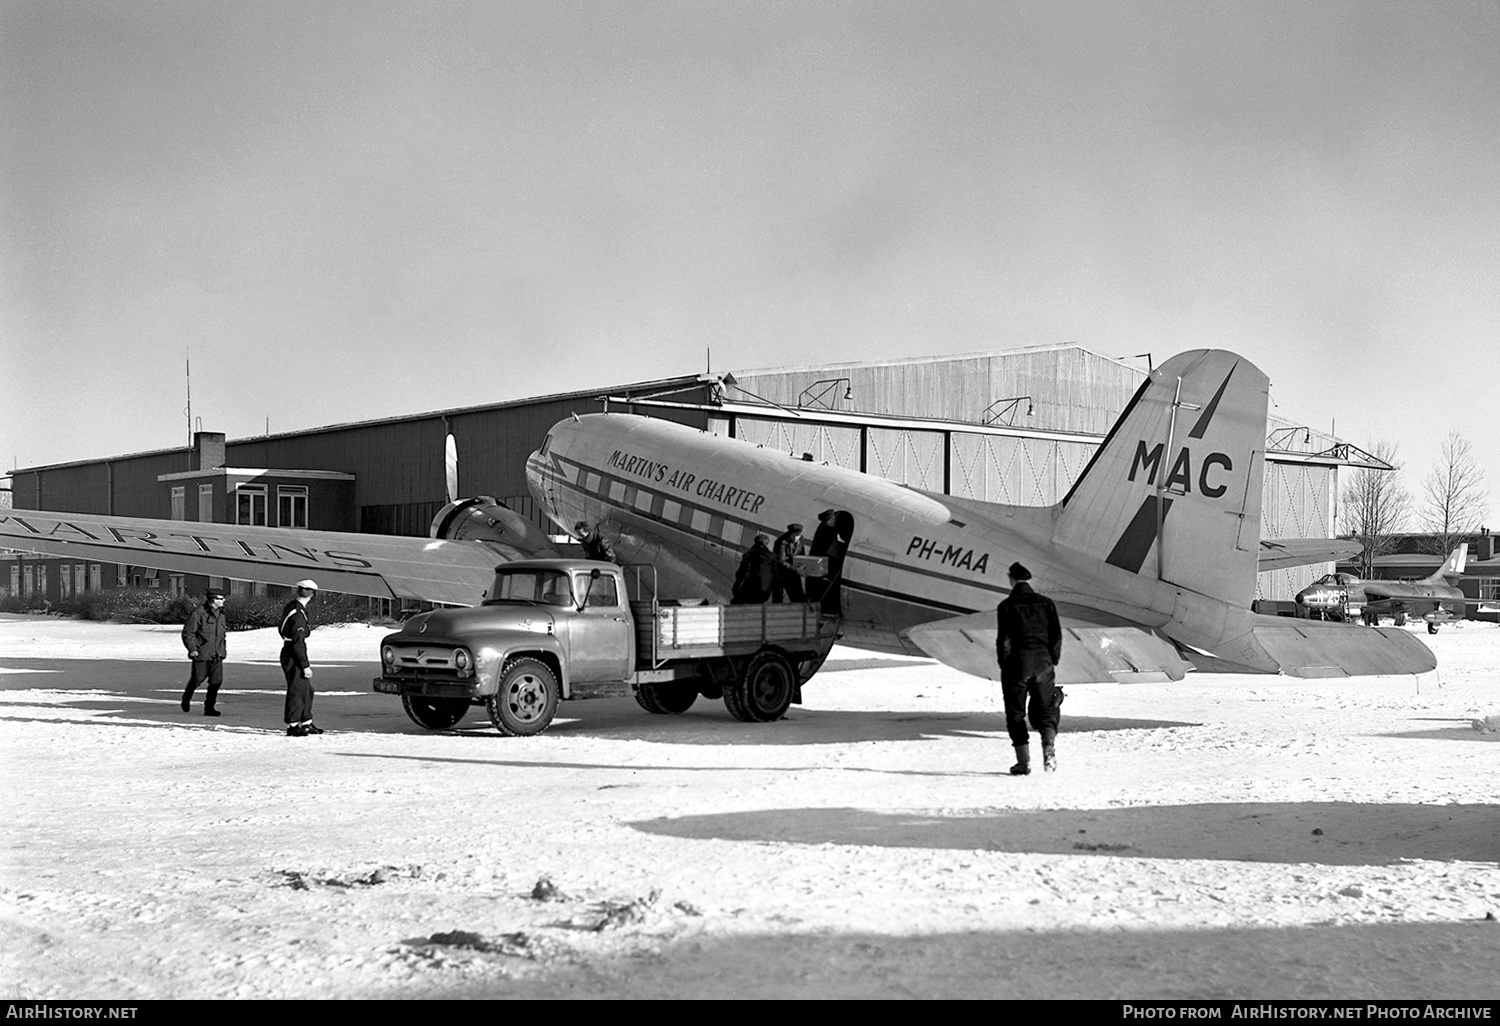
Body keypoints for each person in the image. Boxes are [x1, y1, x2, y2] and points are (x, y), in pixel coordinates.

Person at [995, 561, 1063, 775]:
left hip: (1017, 664)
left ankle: (1023, 763)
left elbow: (1003, 640)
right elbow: (1056, 635)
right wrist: (1053, 659)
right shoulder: (1046, 603)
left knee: (1015, 714)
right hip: (1043, 664)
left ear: (1011, 579)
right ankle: (1049, 748)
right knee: (1046, 711)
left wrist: (1004, 665)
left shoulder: (1006, 606)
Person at [280, 579, 322, 737]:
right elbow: (298, 643)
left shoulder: (292, 607)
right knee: (297, 690)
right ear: (311, 594)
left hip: (289, 650)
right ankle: (293, 725)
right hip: (293, 653)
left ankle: (306, 722)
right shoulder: (297, 613)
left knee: (307, 689)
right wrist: (305, 665)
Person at [180, 587, 228, 717]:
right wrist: (192, 649)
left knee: (216, 682)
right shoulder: (199, 613)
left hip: (217, 655)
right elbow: (188, 633)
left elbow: (222, 636)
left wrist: (223, 650)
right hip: (202, 654)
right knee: (197, 679)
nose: (223, 600)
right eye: (220, 598)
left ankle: (209, 708)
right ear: (213, 600)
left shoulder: (221, 614)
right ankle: (186, 697)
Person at [731, 534, 775, 604]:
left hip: (751, 589)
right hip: (764, 593)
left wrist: (735, 588)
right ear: (766, 544)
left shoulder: (750, 554)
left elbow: (741, 573)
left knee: (735, 603)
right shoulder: (772, 557)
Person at [771, 523, 807, 603]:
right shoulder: (782, 541)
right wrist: (795, 569)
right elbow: (781, 561)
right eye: (794, 536)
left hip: (793, 571)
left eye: (798, 535)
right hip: (781, 572)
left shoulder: (801, 540)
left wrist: (803, 566)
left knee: (798, 595)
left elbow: (801, 554)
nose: (796, 538)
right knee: (778, 596)